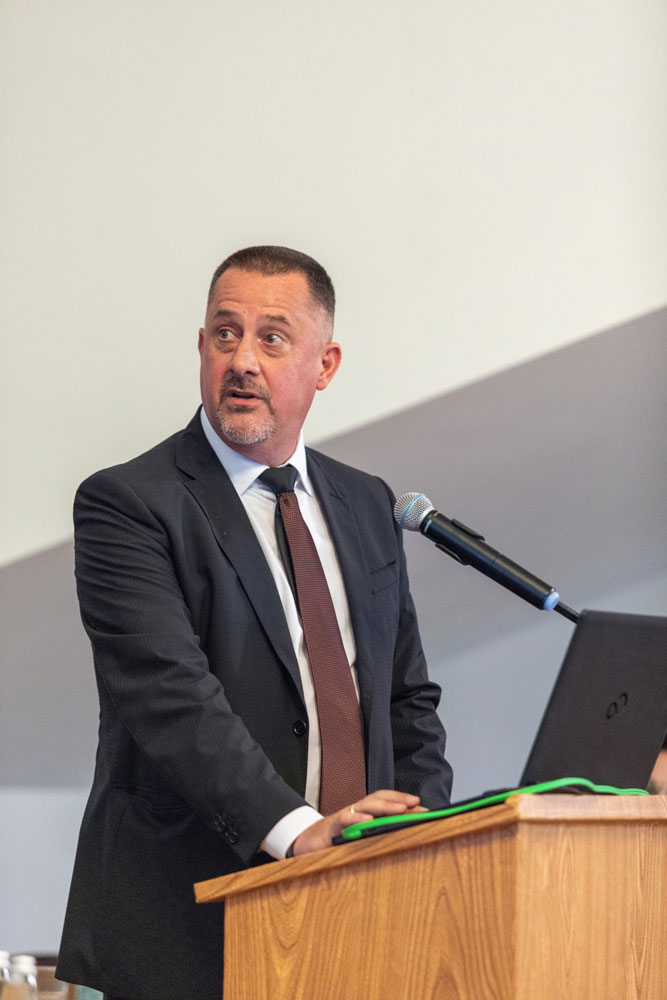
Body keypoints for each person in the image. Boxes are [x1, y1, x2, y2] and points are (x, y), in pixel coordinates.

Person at [56, 246, 453, 1000]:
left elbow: (404, 701)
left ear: (324, 364)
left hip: (361, 913)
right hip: (185, 925)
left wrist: (420, 832)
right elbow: (170, 700)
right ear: (201, 346)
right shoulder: (128, 504)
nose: (241, 360)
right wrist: (297, 830)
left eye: (272, 338)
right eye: (224, 334)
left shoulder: (366, 502)